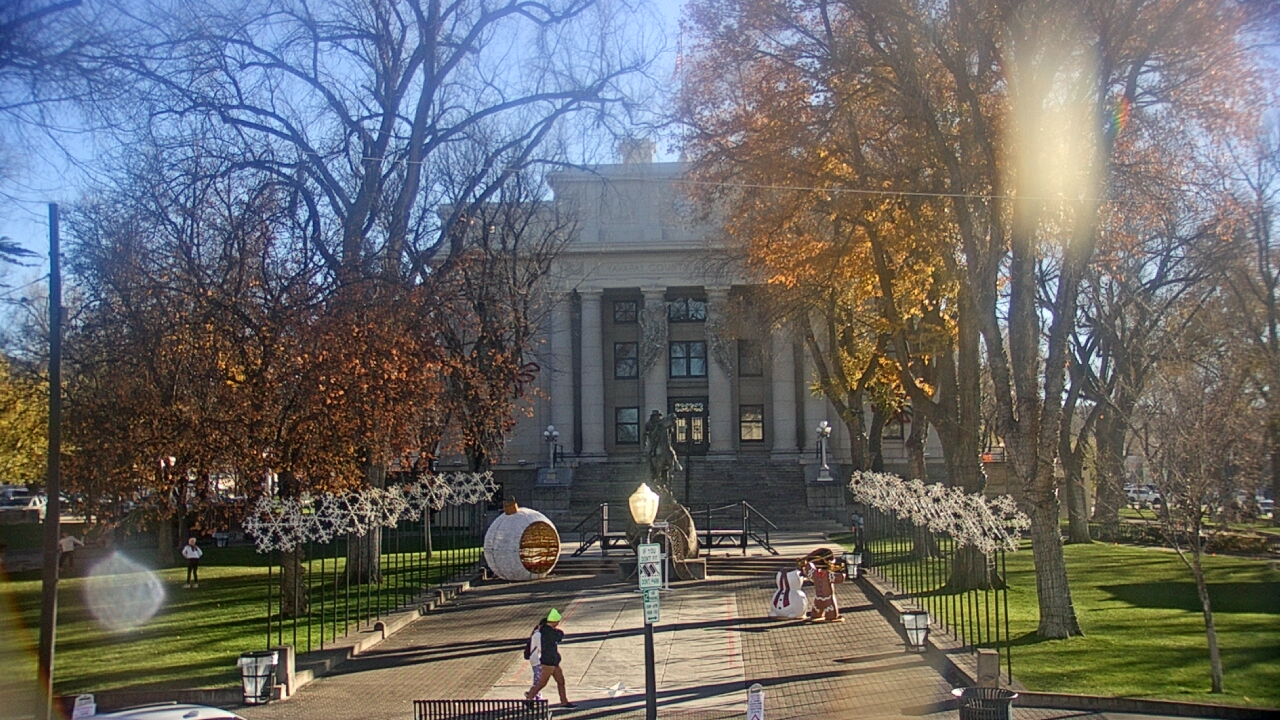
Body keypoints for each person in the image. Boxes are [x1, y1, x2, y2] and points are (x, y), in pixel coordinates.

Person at [524, 608, 576, 709]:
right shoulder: (549, 632)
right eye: (557, 621)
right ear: (554, 621)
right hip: (549, 662)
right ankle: (529, 698)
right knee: (542, 683)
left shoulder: (543, 630)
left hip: (553, 661)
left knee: (560, 681)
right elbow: (559, 636)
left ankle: (564, 701)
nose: (558, 623)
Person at [524, 618, 545, 702]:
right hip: (537, 659)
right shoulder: (538, 635)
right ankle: (533, 695)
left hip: (535, 658)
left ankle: (534, 694)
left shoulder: (535, 633)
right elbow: (541, 647)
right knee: (539, 678)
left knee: (538, 678)